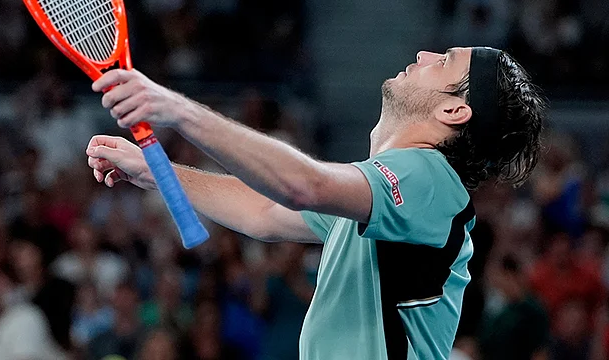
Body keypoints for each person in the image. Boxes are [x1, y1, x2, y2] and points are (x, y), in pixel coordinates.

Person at [85, 47, 546, 359]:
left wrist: (177, 110)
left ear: (454, 111)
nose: (424, 55)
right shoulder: (384, 197)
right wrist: (158, 174)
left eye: (444, 62)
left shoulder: (428, 177)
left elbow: (304, 186)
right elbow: (264, 212)